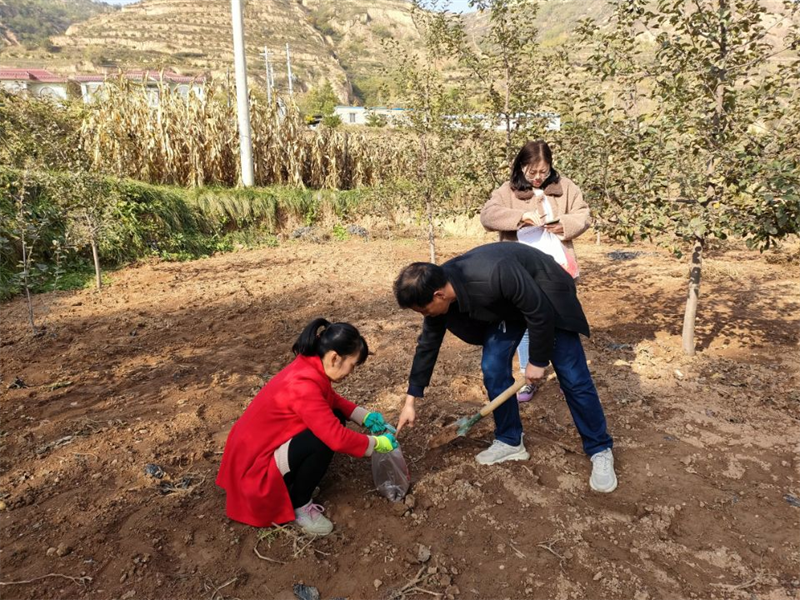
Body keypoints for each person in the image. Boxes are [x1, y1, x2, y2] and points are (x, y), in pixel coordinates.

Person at [393, 243, 616, 493]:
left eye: (424, 310)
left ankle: (600, 448)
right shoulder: (440, 295)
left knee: (573, 377)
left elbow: (539, 311)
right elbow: (427, 345)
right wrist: (411, 400)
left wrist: (538, 360)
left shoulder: (493, 273)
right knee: (493, 367)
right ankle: (510, 440)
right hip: (507, 308)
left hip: (547, 294)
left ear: (438, 296)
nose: (425, 315)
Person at [216, 318, 398, 535]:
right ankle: (300, 503)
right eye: (352, 365)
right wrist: (376, 443)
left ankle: (296, 481)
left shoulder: (308, 365)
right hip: (256, 475)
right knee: (322, 440)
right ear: (334, 358)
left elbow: (329, 399)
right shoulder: (303, 387)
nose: (351, 373)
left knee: (334, 418)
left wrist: (364, 416)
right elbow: (336, 438)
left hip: (253, 455)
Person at [481, 140, 591, 403]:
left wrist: (563, 223)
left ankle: (569, 378)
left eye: (543, 171)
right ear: (521, 167)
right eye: (532, 172)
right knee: (527, 323)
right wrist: (520, 218)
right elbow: (488, 216)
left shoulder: (565, 188)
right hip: (521, 273)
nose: (538, 177)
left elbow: (584, 215)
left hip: (559, 269)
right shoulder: (508, 191)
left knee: (563, 323)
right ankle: (526, 378)